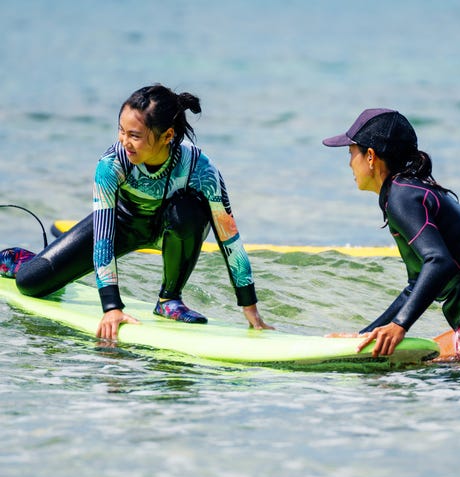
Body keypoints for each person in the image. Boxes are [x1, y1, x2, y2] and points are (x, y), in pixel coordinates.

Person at [0, 84, 273, 339]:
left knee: (190, 211)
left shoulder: (199, 168)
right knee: (30, 284)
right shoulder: (111, 164)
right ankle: (20, 258)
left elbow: (229, 238)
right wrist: (111, 307)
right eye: (121, 131)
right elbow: (104, 237)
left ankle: (169, 300)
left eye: (134, 135)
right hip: (122, 225)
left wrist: (249, 306)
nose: (124, 141)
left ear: (168, 135)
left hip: (171, 227)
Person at [322, 108, 460, 366]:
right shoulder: (405, 191)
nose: (348, 163)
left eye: (350, 153)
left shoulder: (401, 196)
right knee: (411, 367)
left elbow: (439, 262)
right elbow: (416, 284)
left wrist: (400, 325)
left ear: (370, 156)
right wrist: (365, 335)